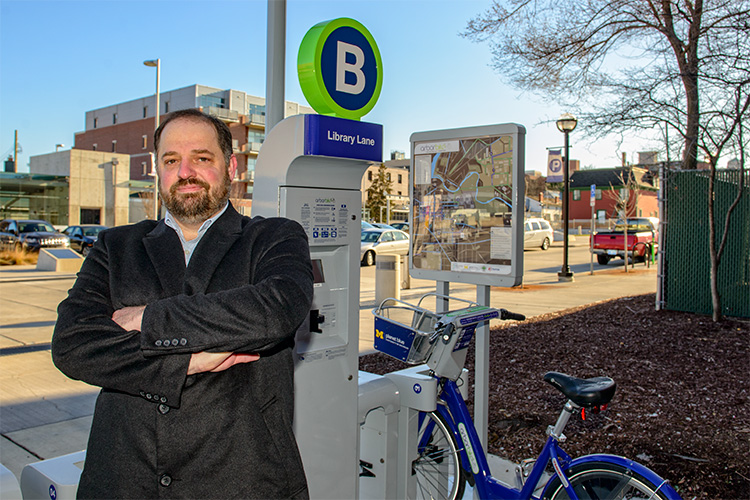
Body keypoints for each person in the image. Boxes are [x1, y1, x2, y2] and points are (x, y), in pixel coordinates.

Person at [52, 109, 313, 499]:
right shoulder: (115, 247)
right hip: (126, 480)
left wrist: (149, 318)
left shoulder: (273, 237)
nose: (185, 171)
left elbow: (276, 310)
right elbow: (73, 344)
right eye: (171, 160)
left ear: (231, 164)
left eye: (201, 158)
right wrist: (187, 360)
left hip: (243, 479)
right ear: (157, 169)